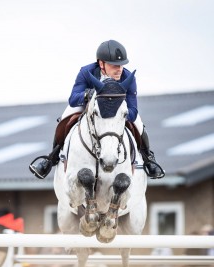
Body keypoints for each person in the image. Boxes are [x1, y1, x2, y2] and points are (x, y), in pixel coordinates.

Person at [29, 39, 165, 180]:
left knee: (139, 123)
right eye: (114, 65)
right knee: (65, 117)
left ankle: (148, 158)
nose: (119, 69)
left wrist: (118, 114)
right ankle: (52, 157)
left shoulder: (128, 78)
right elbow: (73, 98)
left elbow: (133, 110)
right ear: (101, 64)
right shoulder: (86, 72)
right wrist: (89, 94)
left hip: (118, 111)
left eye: (121, 65)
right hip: (89, 106)